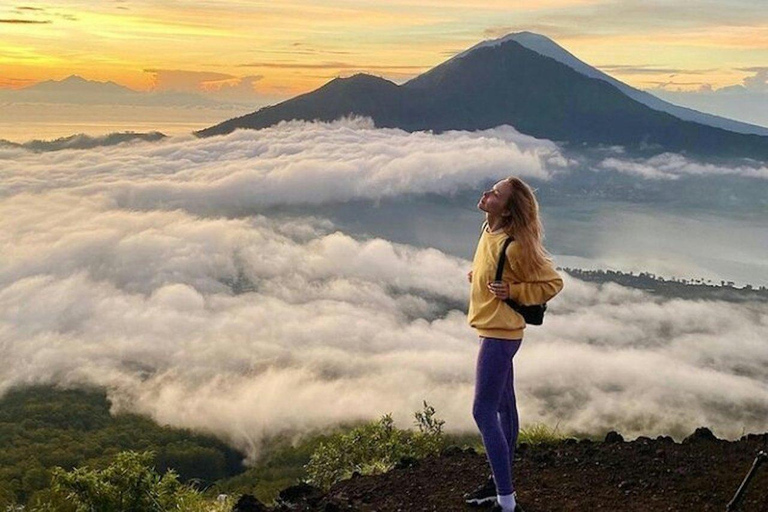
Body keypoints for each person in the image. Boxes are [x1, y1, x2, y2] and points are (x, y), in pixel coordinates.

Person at [463, 176, 564, 512]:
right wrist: (478, 275)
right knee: (504, 408)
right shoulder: (488, 231)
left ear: (507, 211)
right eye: (490, 188)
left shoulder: (516, 244)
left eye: (496, 194)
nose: (487, 193)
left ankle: (506, 502)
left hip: (500, 335)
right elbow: (496, 271)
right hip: (495, 330)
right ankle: (498, 483)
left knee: (482, 411)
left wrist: (516, 292)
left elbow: (552, 282)